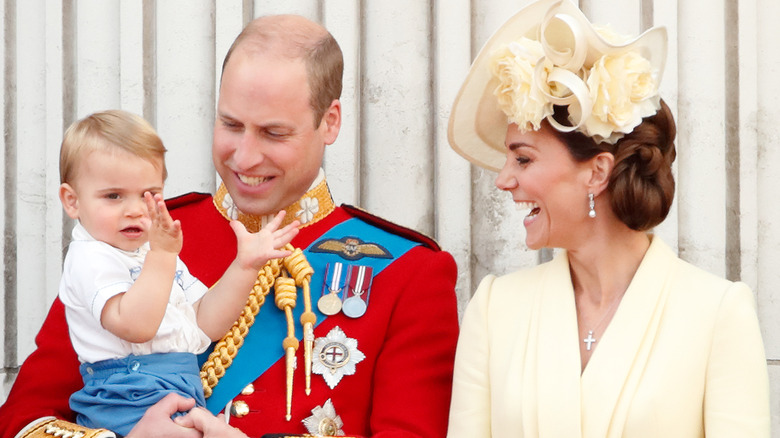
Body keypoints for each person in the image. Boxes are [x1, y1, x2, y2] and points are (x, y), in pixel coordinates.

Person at [0, 14, 459, 438]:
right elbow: (23, 422)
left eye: (274, 133)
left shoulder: (408, 273)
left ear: (329, 122)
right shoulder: (136, 234)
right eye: (231, 124)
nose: (244, 157)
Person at [445, 0, 770, 436]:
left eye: (522, 160)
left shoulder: (717, 313)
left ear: (597, 172)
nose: (503, 181)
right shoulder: (494, 307)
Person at [56, 110, 299, 435]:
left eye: (149, 195)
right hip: (126, 396)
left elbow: (205, 321)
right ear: (72, 202)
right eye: (113, 196)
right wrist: (161, 255)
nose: (135, 209)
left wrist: (244, 267)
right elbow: (135, 325)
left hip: (175, 388)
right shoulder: (90, 257)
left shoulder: (151, 251)